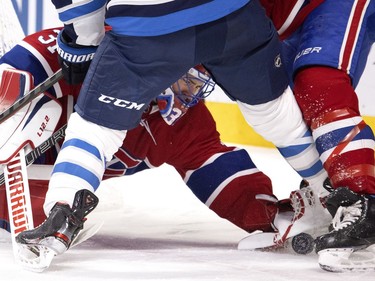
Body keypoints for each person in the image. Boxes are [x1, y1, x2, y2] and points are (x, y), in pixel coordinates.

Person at [15, 0, 332, 268]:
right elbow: (19, 66)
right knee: (278, 115)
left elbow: (212, 163)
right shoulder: (41, 56)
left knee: (93, 130)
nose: (190, 90)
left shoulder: (178, 123)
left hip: (148, 28)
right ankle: (337, 195)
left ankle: (62, 214)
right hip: (236, 17)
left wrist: (270, 215)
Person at [261, 0, 375, 271]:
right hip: (283, 23)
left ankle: (363, 202)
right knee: (279, 105)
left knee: (318, 82)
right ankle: (330, 197)